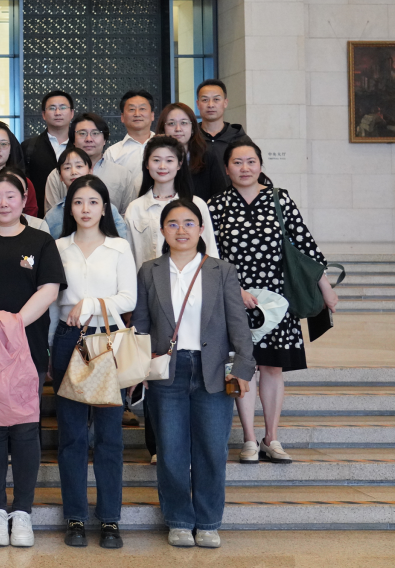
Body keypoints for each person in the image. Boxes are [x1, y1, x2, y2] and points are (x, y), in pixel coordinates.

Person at [208, 137, 338, 466]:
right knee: (243, 367)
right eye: (237, 162)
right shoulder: (216, 205)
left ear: (260, 165)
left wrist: (325, 287)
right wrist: (233, 290)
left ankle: (272, 437)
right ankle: (249, 439)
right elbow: (211, 255)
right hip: (236, 300)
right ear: (226, 169)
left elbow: (305, 244)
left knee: (273, 367)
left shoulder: (280, 199)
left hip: (277, 300)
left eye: (251, 161)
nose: (245, 168)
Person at [135, 199, 254, 549]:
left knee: (212, 450)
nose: (181, 230)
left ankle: (208, 522)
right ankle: (179, 520)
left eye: (189, 223)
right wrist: (140, 365)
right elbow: (141, 324)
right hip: (167, 372)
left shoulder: (221, 270)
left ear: (201, 229)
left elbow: (238, 323)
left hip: (212, 370)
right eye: (173, 224)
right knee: (171, 450)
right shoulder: (150, 270)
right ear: (162, 230)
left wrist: (243, 367)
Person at [0, 172, 65, 549]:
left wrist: (15, 323)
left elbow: (49, 289)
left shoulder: (40, 241)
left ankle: (22, 511)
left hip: (26, 345)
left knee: (25, 429)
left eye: (10, 196)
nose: (3, 203)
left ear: (23, 199)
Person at [51, 174, 135, 550]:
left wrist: (88, 304)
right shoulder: (58, 247)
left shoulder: (119, 247)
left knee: (109, 437)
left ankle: (110, 519)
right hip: (68, 341)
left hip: (108, 342)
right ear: (69, 208)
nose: (85, 209)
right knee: (71, 436)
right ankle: (75, 517)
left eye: (93, 202)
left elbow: (129, 298)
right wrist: (49, 350)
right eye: (78, 202)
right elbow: (52, 304)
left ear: (105, 208)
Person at [125, 136, 219, 270]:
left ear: (179, 164)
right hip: (147, 281)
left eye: (169, 160)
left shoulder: (197, 204)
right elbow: (128, 257)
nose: (162, 166)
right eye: (156, 160)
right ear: (147, 164)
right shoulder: (135, 208)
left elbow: (210, 250)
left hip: (191, 279)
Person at [44, 113, 138, 215]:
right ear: (73, 140)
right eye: (82, 133)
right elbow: (51, 218)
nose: (89, 139)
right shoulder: (58, 174)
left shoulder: (123, 175)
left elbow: (128, 217)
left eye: (95, 133)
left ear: (104, 140)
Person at [44, 147, 130, 240]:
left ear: (90, 171)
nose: (74, 172)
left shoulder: (108, 209)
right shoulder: (52, 216)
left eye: (79, 166)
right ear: (60, 176)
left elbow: (121, 240)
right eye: (67, 168)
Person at [158, 103, 227, 201]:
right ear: (163, 129)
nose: (178, 129)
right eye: (171, 124)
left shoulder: (207, 158)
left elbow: (220, 197)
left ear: (193, 128)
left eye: (184, 123)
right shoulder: (155, 161)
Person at [21, 90, 74, 212]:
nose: (58, 112)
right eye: (52, 108)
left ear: (72, 113)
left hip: (77, 215)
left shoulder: (80, 146)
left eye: (63, 107)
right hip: (38, 216)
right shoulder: (28, 147)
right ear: (44, 114)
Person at [104, 91, 155, 180]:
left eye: (142, 109)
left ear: (152, 115)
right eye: (131, 109)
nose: (137, 114)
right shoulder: (112, 153)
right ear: (122, 117)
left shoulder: (167, 147)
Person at [196, 79, 248, 164]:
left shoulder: (240, 139)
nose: (210, 105)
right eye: (205, 100)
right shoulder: (190, 137)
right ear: (198, 104)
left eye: (216, 99)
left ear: (225, 103)